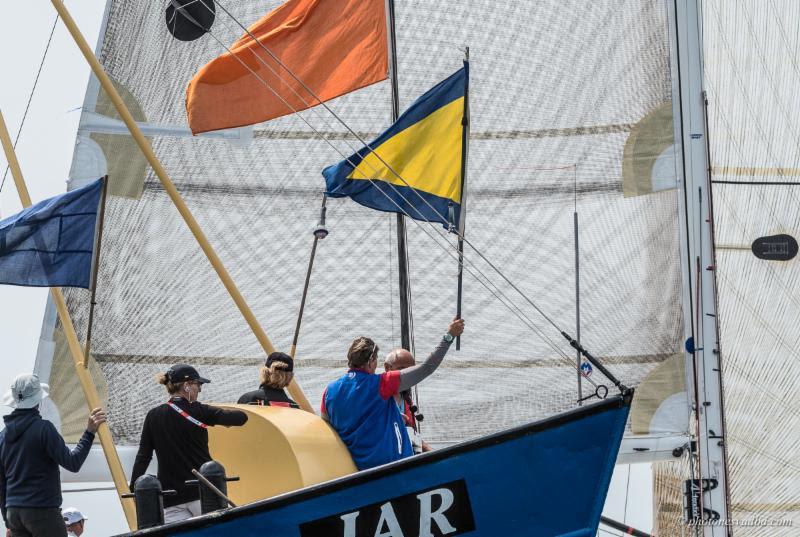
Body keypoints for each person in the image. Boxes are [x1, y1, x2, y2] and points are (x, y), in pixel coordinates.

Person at [321, 318, 465, 470]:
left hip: (359, 473)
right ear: (371, 361)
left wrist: (393, 417)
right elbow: (426, 368)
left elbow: (330, 428)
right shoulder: (382, 383)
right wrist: (449, 336)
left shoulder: (328, 391)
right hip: (395, 470)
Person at [129, 364, 248, 524]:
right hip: (203, 494)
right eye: (198, 384)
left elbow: (143, 457)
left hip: (170, 497)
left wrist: (134, 490)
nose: (200, 389)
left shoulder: (153, 415)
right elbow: (241, 418)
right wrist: (215, 416)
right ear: (186, 386)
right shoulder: (200, 411)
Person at [0, 374, 105, 537]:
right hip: (42, 511)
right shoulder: (44, 429)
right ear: (38, 401)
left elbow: (2, 483)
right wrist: (89, 432)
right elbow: (73, 463)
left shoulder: (2, 436)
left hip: (13, 513)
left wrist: (8, 520)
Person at [384, 349, 432, 453]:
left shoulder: (405, 398)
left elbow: (412, 434)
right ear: (387, 368)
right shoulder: (381, 397)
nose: (407, 375)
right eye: (401, 369)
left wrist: (435, 454)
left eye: (410, 370)